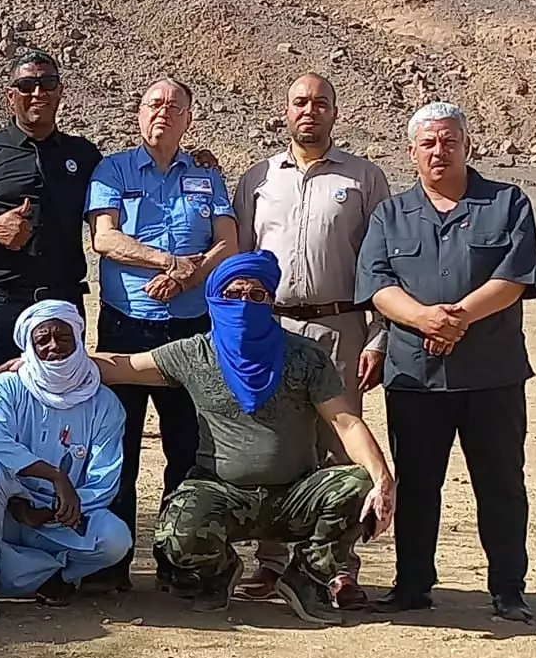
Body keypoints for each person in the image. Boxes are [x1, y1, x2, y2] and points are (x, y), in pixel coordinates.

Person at [91, 251, 395, 625]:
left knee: (358, 483)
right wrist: (46, 362)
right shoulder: (194, 353)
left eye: (256, 296)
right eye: (233, 295)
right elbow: (123, 366)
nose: (244, 304)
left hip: (295, 495)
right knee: (175, 534)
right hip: (223, 493)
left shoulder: (305, 356)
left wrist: (383, 480)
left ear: (271, 301)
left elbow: (346, 423)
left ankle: (306, 578)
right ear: (215, 299)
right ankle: (219, 575)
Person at [356, 103, 536, 624]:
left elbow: (515, 277)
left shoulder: (507, 204)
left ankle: (508, 588)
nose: (440, 151)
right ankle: (413, 585)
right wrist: (422, 319)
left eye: (449, 141)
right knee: (417, 484)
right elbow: (375, 284)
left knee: (501, 482)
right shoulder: (390, 214)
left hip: (491, 374)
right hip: (415, 376)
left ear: (466, 145)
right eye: (428, 143)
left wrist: (455, 317)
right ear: (412, 152)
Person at [231, 73, 391, 606]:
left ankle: (336, 564)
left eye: (321, 103)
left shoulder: (364, 178)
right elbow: (240, 258)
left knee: (340, 443)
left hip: (339, 325)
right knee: (278, 442)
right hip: (271, 325)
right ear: (286, 110)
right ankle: (271, 561)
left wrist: (377, 337)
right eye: (300, 102)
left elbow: (380, 265)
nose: (310, 111)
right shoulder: (258, 177)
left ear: (335, 113)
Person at [85, 78, 238, 581]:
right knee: (119, 446)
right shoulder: (113, 169)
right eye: (154, 103)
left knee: (187, 445)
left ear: (189, 118)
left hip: (191, 330)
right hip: (127, 326)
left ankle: (180, 564)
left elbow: (227, 242)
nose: (163, 113)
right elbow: (106, 239)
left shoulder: (206, 175)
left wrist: (190, 274)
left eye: (175, 106)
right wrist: (169, 262)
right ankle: (113, 565)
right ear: (138, 113)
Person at [0, 300, 131, 624]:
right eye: (42, 339)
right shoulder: (8, 386)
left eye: (63, 337)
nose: (54, 346)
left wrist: (55, 511)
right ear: (28, 345)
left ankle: (44, 574)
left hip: (63, 519)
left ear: (78, 340)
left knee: (116, 540)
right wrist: (53, 477)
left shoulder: (104, 403)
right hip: (8, 514)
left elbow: (104, 480)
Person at [0, 50, 103, 408]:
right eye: (27, 85)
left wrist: (193, 159)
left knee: (63, 406)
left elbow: (126, 197)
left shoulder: (86, 155)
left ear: (60, 92)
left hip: (61, 303)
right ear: (10, 94)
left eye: (47, 84)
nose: (37, 93)